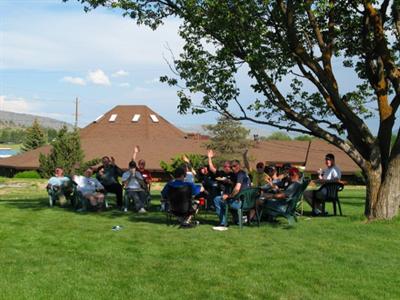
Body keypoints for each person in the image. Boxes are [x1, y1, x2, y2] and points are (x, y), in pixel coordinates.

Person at [213, 159, 251, 228]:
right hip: (248, 203)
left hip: (241, 204)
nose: (232, 168)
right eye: (231, 167)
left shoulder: (240, 174)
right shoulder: (244, 174)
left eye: (234, 166)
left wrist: (229, 196)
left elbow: (237, 189)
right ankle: (237, 220)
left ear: (238, 166)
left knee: (217, 199)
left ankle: (223, 223)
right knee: (229, 200)